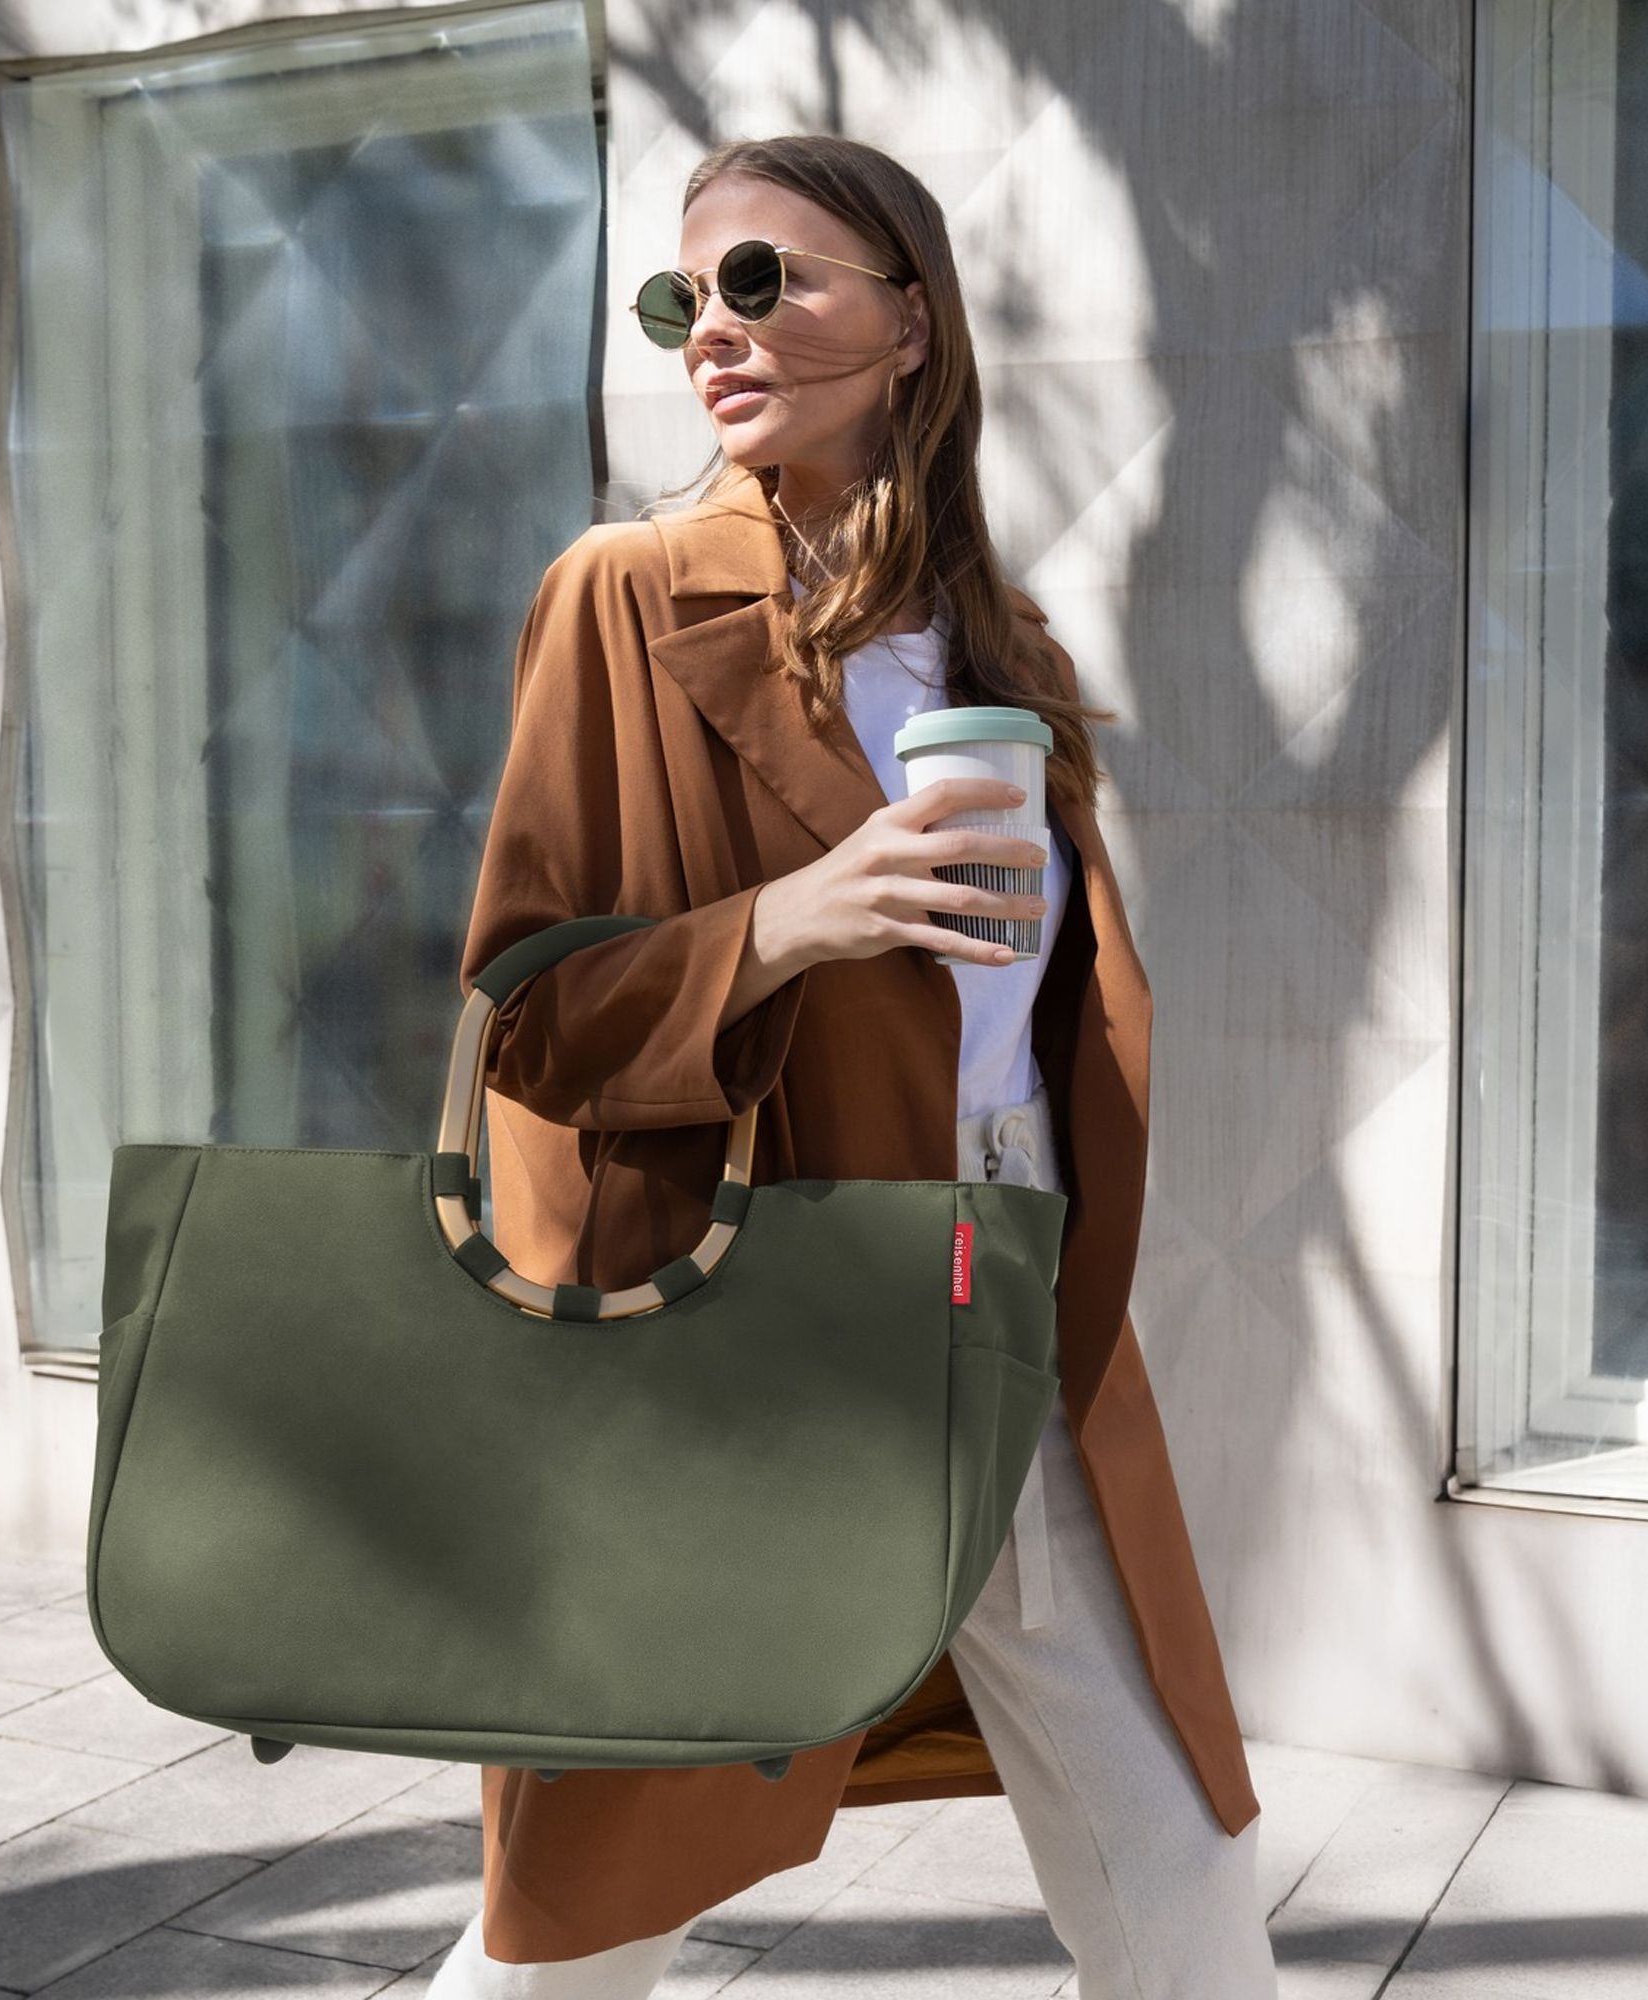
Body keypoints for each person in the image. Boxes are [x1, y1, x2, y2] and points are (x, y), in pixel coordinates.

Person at [430, 133, 1276, 1999]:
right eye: (685, 297)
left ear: (910, 322)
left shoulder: (1000, 643)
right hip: (768, 1313)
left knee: (1182, 1868)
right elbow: (526, 1006)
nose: (713, 329)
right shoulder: (627, 594)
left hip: (1013, 1287)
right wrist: (789, 925)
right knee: (588, 1923)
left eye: (768, 280)